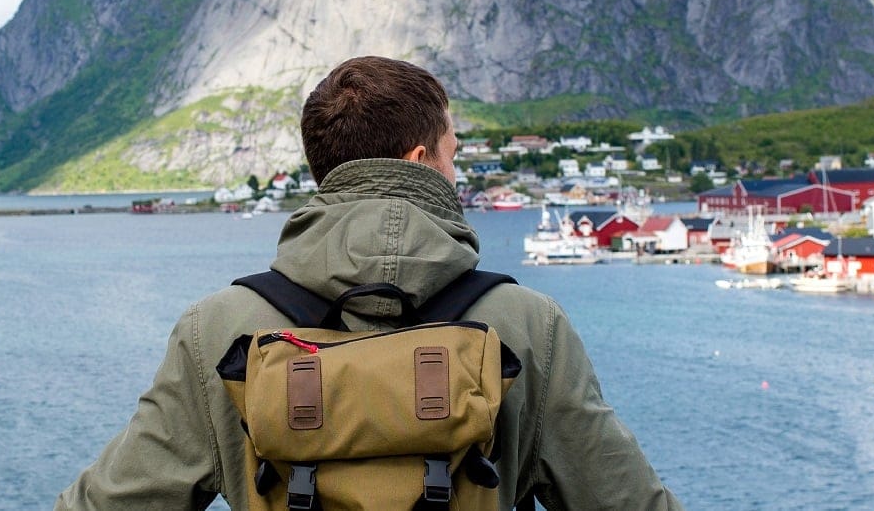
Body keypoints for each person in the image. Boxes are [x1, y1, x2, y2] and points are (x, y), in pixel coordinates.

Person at [54, 56, 683, 510]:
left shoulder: (220, 329)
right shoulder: (525, 324)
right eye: (453, 155)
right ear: (420, 161)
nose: (457, 174)